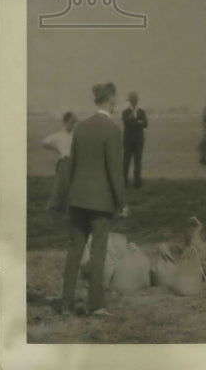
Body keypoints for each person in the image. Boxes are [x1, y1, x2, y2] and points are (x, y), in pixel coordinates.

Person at [61, 83, 128, 316]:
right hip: (101, 203)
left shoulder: (80, 128)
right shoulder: (112, 130)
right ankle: (96, 305)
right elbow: (115, 170)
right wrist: (122, 201)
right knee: (98, 252)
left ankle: (65, 303)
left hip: (77, 199)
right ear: (110, 102)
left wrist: (69, 196)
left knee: (74, 252)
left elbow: (72, 165)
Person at [43, 111, 77, 214]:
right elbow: (45, 142)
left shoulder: (75, 135)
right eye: (71, 122)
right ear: (65, 122)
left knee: (74, 185)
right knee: (61, 185)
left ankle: (71, 207)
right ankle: (57, 206)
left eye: (74, 122)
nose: (73, 125)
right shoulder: (58, 135)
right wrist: (56, 148)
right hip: (64, 162)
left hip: (74, 162)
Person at [121, 92, 148, 189]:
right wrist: (139, 122)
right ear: (130, 101)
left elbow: (146, 124)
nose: (134, 102)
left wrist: (136, 122)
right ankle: (124, 183)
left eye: (135, 100)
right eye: (132, 100)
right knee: (126, 162)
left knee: (137, 162)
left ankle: (137, 184)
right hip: (128, 141)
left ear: (137, 101)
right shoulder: (125, 112)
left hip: (138, 141)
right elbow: (127, 123)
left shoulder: (141, 111)